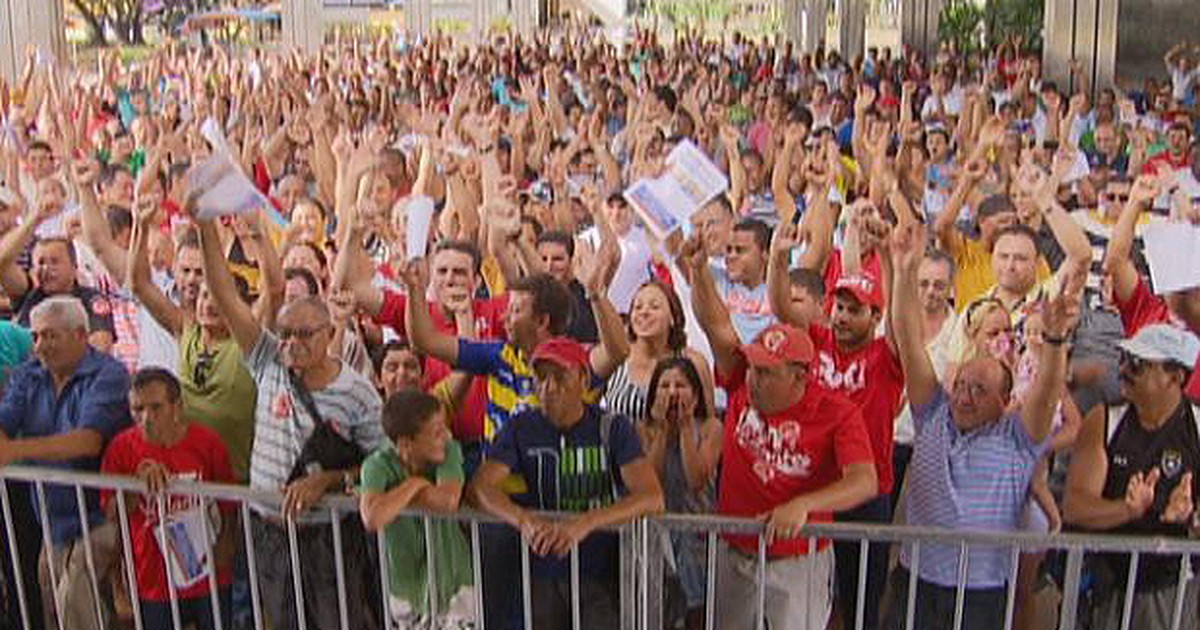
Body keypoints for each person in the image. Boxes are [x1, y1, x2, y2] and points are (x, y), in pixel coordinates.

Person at [195, 205, 386, 630]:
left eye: (304, 335)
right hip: (268, 531)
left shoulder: (357, 393)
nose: (292, 344)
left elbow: (382, 464)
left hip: (331, 539)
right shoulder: (267, 360)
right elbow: (224, 294)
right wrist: (205, 225)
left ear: (331, 334)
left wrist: (329, 481)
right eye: (285, 334)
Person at [884, 222, 1080, 630]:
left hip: (982, 592)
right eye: (961, 386)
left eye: (978, 390)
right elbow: (907, 338)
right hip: (915, 581)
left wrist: (1056, 341)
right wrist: (904, 273)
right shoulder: (933, 414)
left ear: (1004, 402)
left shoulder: (1018, 438)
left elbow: (1046, 392)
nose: (964, 396)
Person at [681, 235, 878, 630]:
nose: (753, 379)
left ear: (800, 377)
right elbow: (717, 325)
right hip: (735, 548)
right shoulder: (740, 380)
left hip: (798, 559)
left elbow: (864, 481)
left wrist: (804, 504)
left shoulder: (835, 411)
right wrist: (699, 270)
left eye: (767, 372)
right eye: (754, 366)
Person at [469, 336, 664, 630]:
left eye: (559, 377)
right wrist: (524, 521)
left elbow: (651, 496)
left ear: (583, 380)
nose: (548, 388)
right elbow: (481, 487)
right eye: (541, 378)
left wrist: (585, 523)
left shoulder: (613, 426)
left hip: (603, 574)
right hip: (543, 571)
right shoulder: (520, 427)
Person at [0, 296, 132, 630]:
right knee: (54, 600)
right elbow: (4, 420)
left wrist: (15, 451)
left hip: (104, 512)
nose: (41, 346)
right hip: (52, 515)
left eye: (51, 336)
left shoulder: (110, 374)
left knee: (75, 594)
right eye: (36, 336)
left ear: (80, 335)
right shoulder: (29, 372)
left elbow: (87, 441)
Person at [1063, 324, 1200, 629]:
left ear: (1175, 377)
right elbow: (1075, 506)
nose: (1124, 369)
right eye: (1124, 357)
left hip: (1173, 588)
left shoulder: (1196, 427)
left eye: (1139, 363)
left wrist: (1189, 519)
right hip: (1107, 583)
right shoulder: (1104, 419)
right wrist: (1127, 510)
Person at [100, 368, 236, 630]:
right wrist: (133, 487)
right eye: (137, 410)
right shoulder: (120, 448)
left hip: (208, 572)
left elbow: (229, 503)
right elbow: (111, 512)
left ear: (177, 407)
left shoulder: (208, 443)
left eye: (156, 408)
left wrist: (226, 545)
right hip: (152, 576)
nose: (146, 418)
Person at [359, 389, 476, 629]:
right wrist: (414, 484)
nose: (446, 435)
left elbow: (447, 501)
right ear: (406, 444)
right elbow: (373, 517)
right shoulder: (377, 464)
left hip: (454, 583)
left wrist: (394, 495)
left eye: (444, 427)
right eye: (436, 433)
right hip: (406, 585)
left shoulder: (449, 450)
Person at [640, 356, 722, 629]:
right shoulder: (643, 430)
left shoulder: (711, 428)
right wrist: (664, 431)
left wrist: (686, 427)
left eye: (680, 385)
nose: (672, 392)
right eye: (664, 386)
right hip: (657, 537)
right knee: (657, 612)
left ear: (696, 395)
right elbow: (650, 482)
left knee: (699, 613)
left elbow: (696, 479)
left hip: (698, 538)